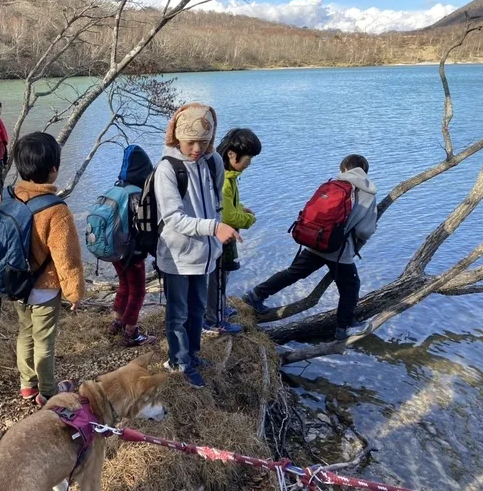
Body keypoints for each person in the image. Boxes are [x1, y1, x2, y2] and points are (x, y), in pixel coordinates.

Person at [244, 154, 377, 340]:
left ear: (344, 168)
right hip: (339, 252)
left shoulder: (331, 184)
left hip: (315, 242)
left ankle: (255, 294)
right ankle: (343, 327)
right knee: (350, 287)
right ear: (365, 171)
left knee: (293, 272)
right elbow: (364, 230)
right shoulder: (368, 193)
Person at [154, 103, 241, 389]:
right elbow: (174, 218)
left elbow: (215, 205)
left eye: (203, 142)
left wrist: (214, 240)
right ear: (176, 136)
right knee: (178, 312)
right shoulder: (167, 169)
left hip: (204, 255)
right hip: (177, 256)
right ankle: (179, 361)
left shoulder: (212, 161)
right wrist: (214, 228)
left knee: (198, 307)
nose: (196, 149)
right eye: (191, 141)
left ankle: (192, 354)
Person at [11, 132, 85, 406]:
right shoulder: (56, 210)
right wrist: (74, 292)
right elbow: (67, 258)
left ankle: (27, 385)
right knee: (44, 341)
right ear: (53, 169)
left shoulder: (10, 197)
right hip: (44, 288)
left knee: (25, 331)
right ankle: (49, 393)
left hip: (16, 283)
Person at [204, 128, 262, 334]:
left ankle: (219, 309)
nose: (249, 163)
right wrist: (249, 219)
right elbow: (227, 217)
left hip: (220, 237)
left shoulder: (229, 175)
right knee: (218, 278)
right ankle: (215, 320)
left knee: (222, 277)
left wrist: (240, 208)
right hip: (219, 239)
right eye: (248, 159)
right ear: (231, 154)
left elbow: (227, 206)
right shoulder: (224, 180)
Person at [107, 145, 157, 347]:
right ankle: (132, 333)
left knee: (124, 286)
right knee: (138, 291)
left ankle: (117, 323)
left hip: (114, 250)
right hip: (132, 253)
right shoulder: (137, 194)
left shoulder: (115, 189)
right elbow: (146, 228)